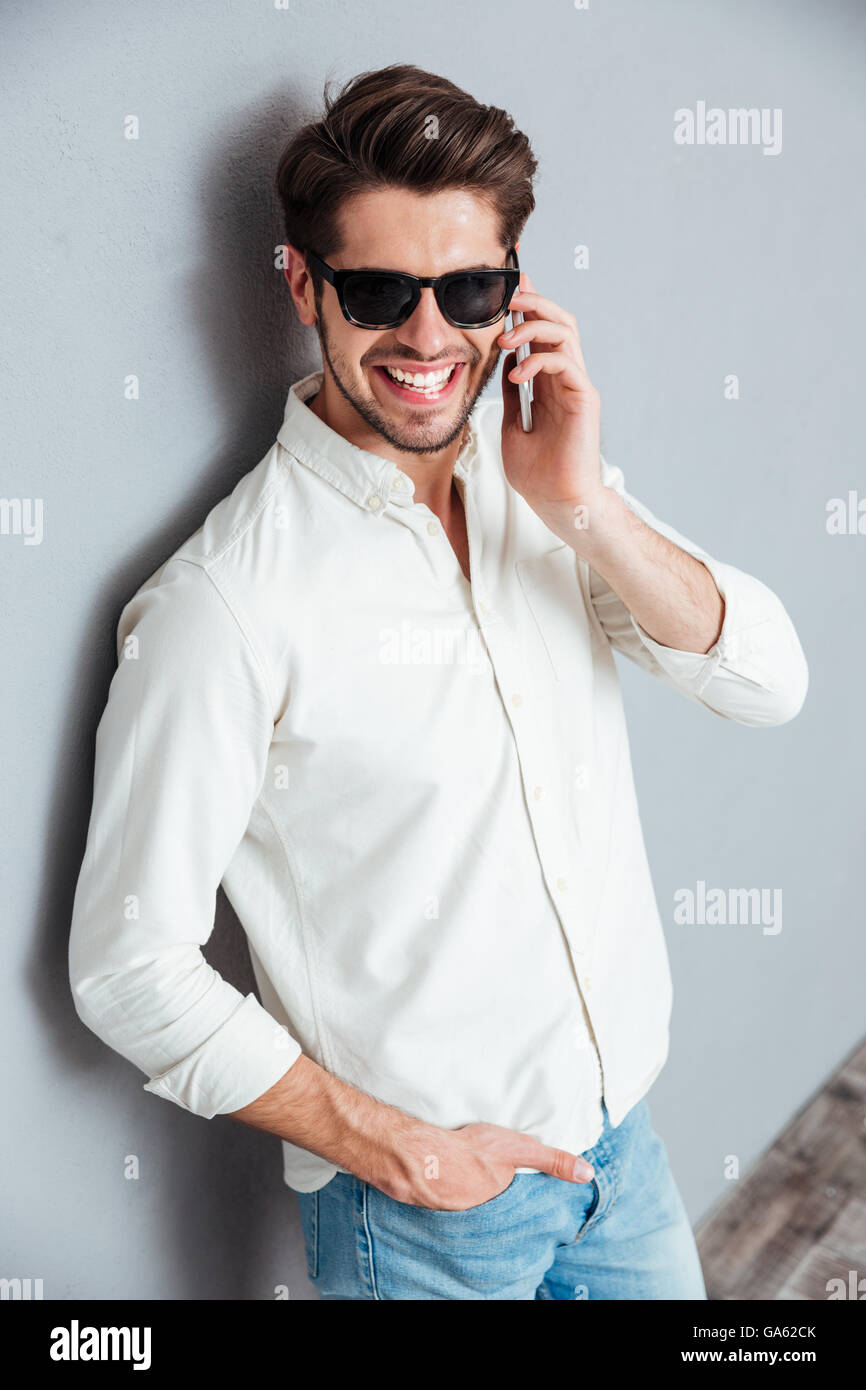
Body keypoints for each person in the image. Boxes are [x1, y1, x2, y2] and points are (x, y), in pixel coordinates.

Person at [68, 64, 808, 1301]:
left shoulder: (545, 490)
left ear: (513, 293)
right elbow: (126, 965)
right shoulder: (228, 604)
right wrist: (393, 1148)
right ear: (302, 284)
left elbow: (766, 683)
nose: (426, 336)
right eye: (377, 291)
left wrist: (581, 505)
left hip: (618, 1155)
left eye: (467, 288)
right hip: (425, 1222)